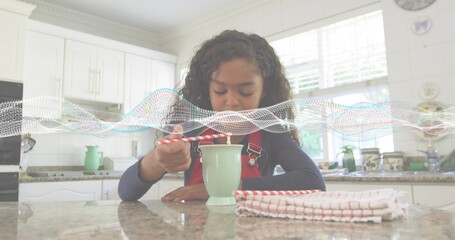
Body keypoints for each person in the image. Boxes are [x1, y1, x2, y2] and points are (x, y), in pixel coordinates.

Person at [118, 30, 325, 201]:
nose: (232, 101)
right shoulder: (192, 130)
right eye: (220, 91)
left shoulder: (271, 134)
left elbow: (314, 182)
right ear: (207, 89)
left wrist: (224, 189)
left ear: (264, 91)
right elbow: (126, 192)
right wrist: (158, 159)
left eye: (245, 91)